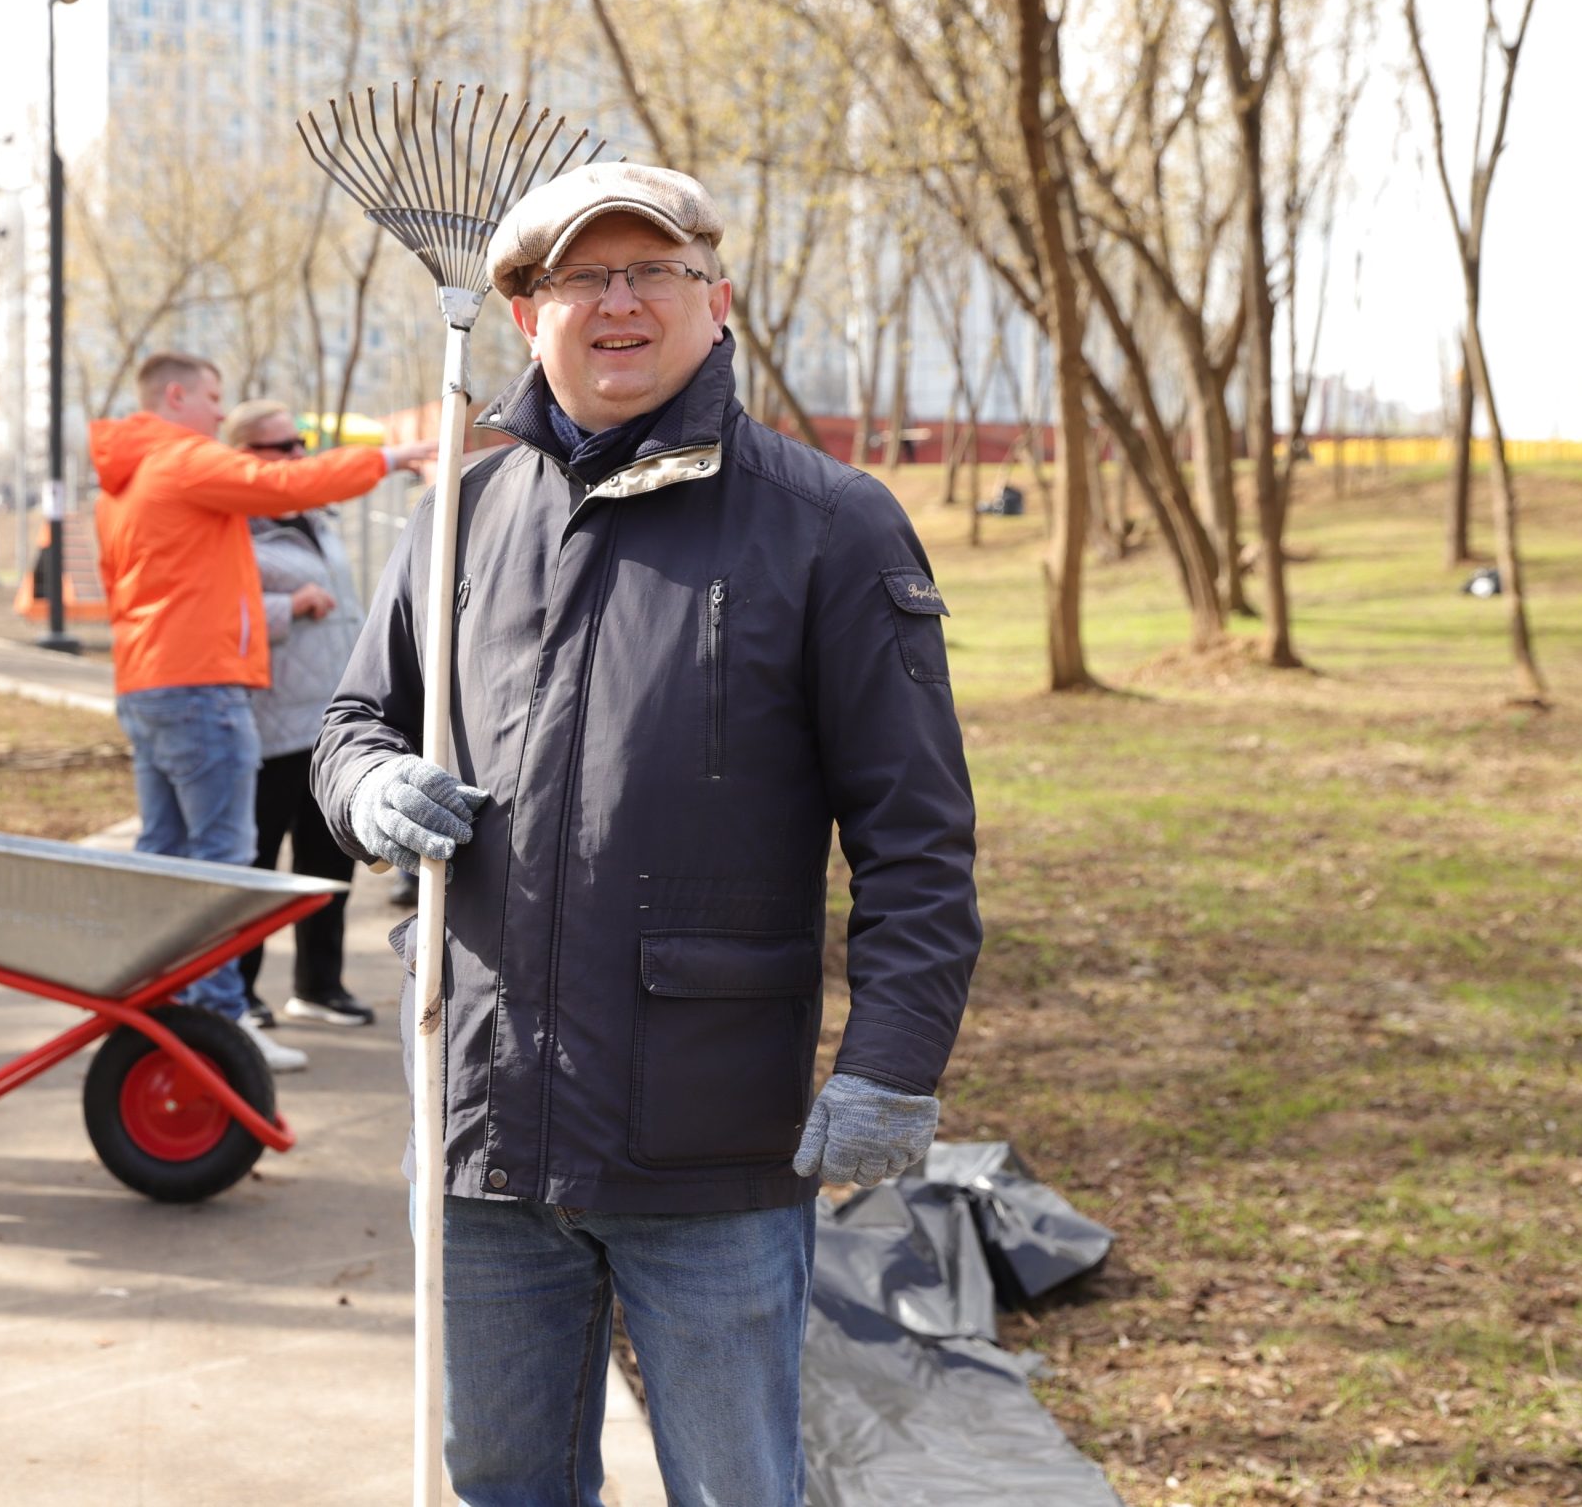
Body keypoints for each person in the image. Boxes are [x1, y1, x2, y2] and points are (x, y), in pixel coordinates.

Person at [312, 163, 982, 1503]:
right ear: (523, 314)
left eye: (653, 272)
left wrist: (892, 1062)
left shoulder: (829, 527)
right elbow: (351, 719)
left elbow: (916, 840)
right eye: (580, 278)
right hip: (485, 1120)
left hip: (713, 1139)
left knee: (738, 1483)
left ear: (714, 300)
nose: (618, 303)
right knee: (503, 1475)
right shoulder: (461, 514)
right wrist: (369, 781)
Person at [90, 352, 435, 1074]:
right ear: (176, 396)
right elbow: (280, 483)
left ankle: (155, 1000)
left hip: (148, 680)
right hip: (199, 685)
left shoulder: (127, 478)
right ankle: (220, 1020)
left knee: (167, 849)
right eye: (213, 397)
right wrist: (392, 457)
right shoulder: (180, 458)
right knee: (224, 861)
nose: (219, 413)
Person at [220, 399, 374, 1029]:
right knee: (256, 868)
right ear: (243, 460)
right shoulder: (229, 530)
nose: (298, 457)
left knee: (328, 861)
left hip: (326, 725)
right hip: (267, 726)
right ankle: (240, 993)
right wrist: (291, 609)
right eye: (281, 448)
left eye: (300, 444)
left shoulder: (319, 518)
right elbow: (222, 615)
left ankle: (319, 984)